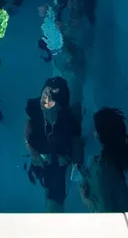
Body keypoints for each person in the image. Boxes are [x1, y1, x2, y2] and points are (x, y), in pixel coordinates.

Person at [24, 77, 83, 212]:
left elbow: (77, 149)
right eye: (44, 94)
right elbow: (27, 132)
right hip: (41, 156)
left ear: (59, 104)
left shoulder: (69, 123)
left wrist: (71, 161)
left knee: (55, 201)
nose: (44, 100)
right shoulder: (34, 109)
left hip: (60, 162)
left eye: (50, 99)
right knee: (45, 184)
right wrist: (31, 151)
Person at [79, 108, 128, 212]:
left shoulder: (103, 167)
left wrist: (85, 199)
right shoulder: (120, 161)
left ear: (100, 134)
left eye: (95, 129)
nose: (93, 131)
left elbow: (105, 206)